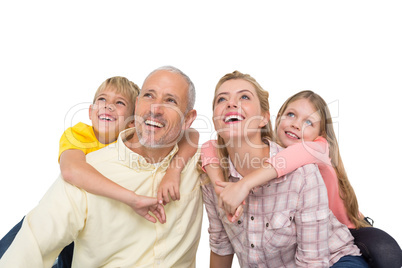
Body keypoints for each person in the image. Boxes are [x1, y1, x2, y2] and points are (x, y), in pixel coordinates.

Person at [0, 66, 203, 267]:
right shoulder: (87, 167)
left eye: (170, 101)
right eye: (149, 95)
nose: (155, 109)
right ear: (138, 105)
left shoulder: (200, 164)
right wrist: (131, 198)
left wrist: (175, 169)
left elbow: (197, 138)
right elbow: (27, 251)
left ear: (188, 119)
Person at [203, 90, 402, 267]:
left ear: (319, 133)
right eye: (291, 114)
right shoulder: (271, 152)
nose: (296, 124)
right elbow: (209, 146)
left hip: (347, 230)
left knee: (387, 254)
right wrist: (219, 184)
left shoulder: (317, 149)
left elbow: (289, 158)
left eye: (309, 122)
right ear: (278, 117)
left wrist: (244, 184)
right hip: (309, 237)